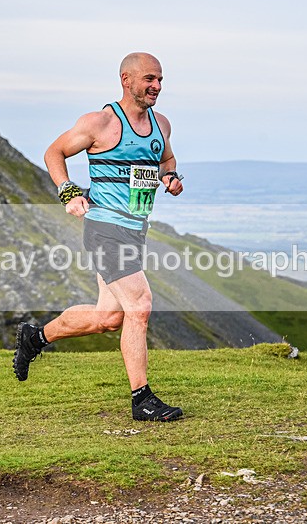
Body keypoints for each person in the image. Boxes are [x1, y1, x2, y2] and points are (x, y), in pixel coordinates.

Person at [13, 52, 184, 422]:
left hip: (136, 229)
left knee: (109, 317)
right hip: (105, 229)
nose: (156, 87)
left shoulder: (162, 125)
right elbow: (54, 151)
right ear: (127, 79)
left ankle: (35, 338)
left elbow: (166, 161)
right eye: (149, 79)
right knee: (140, 306)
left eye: (160, 80)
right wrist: (67, 191)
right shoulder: (101, 122)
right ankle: (142, 400)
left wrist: (170, 178)